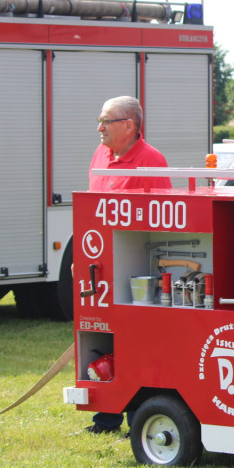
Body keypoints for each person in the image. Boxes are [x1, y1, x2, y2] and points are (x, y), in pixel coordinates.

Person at [87, 96, 171, 434]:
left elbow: (165, 224)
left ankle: (140, 417)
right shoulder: (100, 156)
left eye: (106, 121)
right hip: (101, 268)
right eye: (100, 120)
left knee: (139, 344)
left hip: (136, 273)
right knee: (102, 339)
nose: (100, 128)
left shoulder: (152, 162)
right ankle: (105, 417)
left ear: (129, 125)